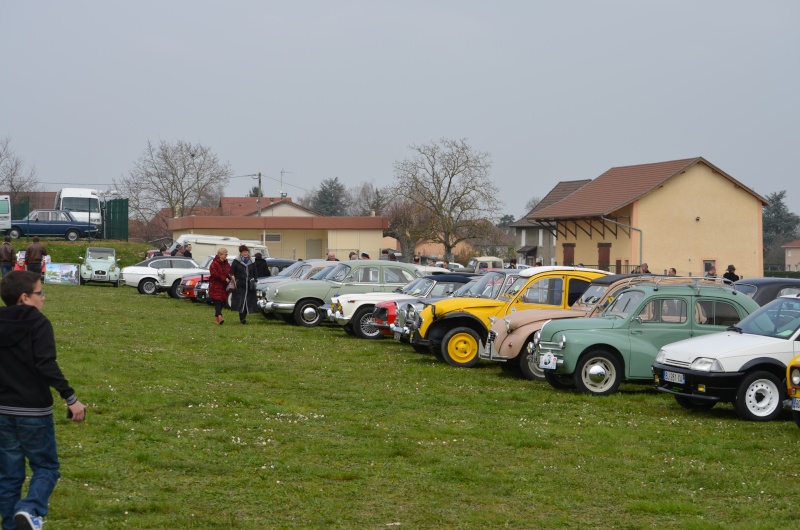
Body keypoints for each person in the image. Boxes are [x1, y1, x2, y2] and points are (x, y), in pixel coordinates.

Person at [0, 270, 87, 530]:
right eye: (40, 293)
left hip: (3, 412)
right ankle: (31, 509)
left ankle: (12, 525)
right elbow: (45, 364)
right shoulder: (38, 323)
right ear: (25, 298)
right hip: (33, 412)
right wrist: (71, 398)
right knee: (46, 467)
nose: (44, 298)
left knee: (8, 477)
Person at [231, 245, 258, 324]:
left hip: (250, 286)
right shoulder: (236, 261)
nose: (246, 253)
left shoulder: (252, 261)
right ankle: (242, 318)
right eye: (244, 252)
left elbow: (255, 272)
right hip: (240, 285)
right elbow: (232, 272)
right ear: (241, 252)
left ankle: (244, 316)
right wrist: (236, 281)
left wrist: (254, 280)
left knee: (248, 301)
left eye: (246, 251)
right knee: (241, 301)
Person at [208, 248, 232, 325]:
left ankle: (216, 319)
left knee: (221, 302)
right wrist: (224, 278)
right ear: (220, 255)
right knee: (217, 301)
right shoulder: (214, 264)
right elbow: (214, 274)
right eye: (225, 254)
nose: (226, 256)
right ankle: (220, 316)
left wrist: (230, 277)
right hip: (215, 285)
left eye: (226, 254)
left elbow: (229, 271)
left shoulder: (226, 264)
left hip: (224, 286)